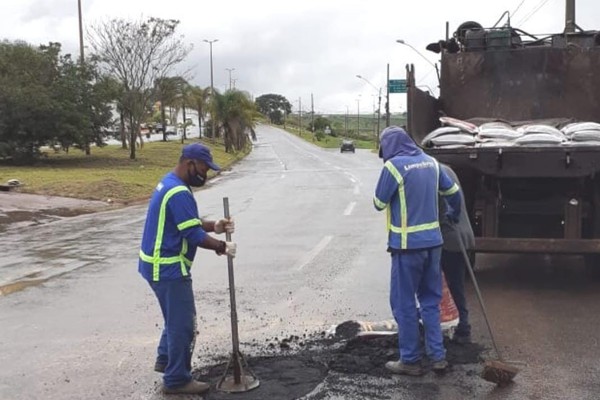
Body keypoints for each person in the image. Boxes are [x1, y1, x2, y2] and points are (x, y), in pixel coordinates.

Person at [139, 143, 236, 395]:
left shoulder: (170, 183)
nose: (205, 174)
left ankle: (165, 359)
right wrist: (221, 246)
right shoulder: (179, 192)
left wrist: (214, 225)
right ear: (189, 163)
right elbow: (192, 234)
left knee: (174, 319)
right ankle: (177, 379)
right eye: (203, 168)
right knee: (184, 325)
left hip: (155, 266)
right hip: (168, 269)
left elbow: (186, 223)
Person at [373, 126, 461, 376]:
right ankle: (438, 356)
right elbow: (453, 193)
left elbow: (378, 203)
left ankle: (410, 360)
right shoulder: (431, 163)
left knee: (404, 305)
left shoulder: (394, 167)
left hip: (406, 248)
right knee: (431, 301)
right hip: (433, 245)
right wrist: (452, 214)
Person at [439, 164, 475, 344]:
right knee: (456, 285)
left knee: (451, 285)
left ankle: (462, 328)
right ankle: (461, 326)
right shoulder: (448, 169)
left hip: (450, 238)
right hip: (462, 235)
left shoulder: (432, 173)